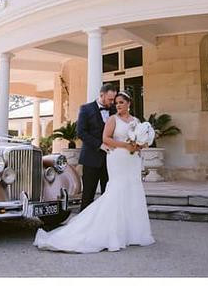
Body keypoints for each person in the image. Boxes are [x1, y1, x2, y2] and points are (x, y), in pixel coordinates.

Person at [34, 91, 155, 253]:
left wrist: (139, 145)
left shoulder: (136, 121)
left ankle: (132, 233)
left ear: (129, 103)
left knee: (133, 190)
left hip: (132, 160)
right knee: (113, 191)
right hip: (116, 157)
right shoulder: (112, 118)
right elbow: (105, 138)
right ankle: (103, 230)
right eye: (116, 102)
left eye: (121, 102)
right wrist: (126, 146)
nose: (117, 105)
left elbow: (140, 140)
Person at [76, 84, 117, 210]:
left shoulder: (115, 110)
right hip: (91, 159)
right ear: (101, 95)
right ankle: (83, 221)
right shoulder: (86, 109)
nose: (112, 102)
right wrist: (100, 145)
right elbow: (81, 132)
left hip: (110, 159)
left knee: (108, 195)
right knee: (88, 196)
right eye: (110, 99)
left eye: (113, 99)